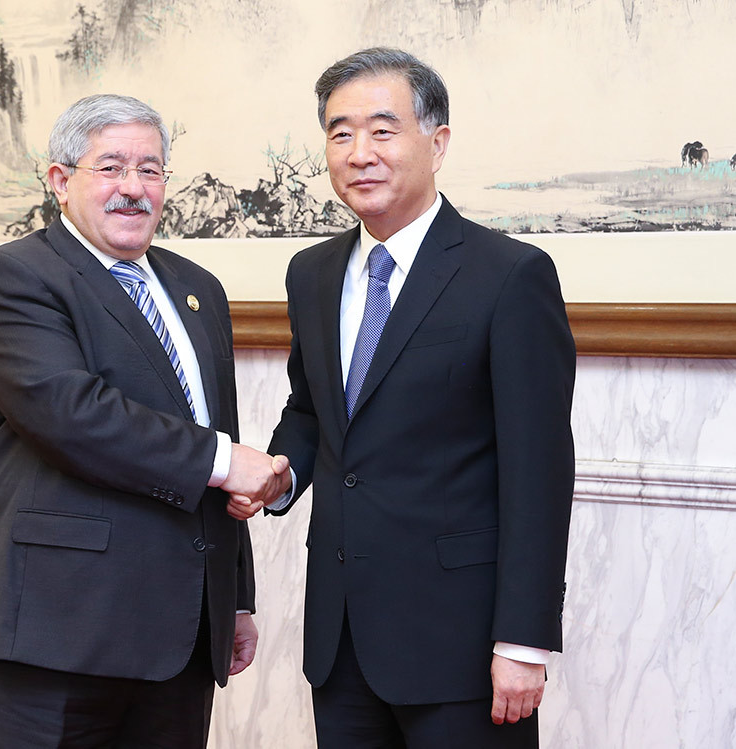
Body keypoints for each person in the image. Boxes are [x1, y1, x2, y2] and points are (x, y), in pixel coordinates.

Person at [230, 48, 576, 747]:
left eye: (383, 130)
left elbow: (539, 470)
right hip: (341, 638)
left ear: (437, 143)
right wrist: (282, 473)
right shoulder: (312, 273)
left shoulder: (509, 275)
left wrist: (524, 640)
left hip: (462, 643)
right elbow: (313, 408)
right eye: (341, 133)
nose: (360, 153)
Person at [0, 93, 289, 748]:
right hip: (51, 633)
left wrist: (234, 597)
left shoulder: (198, 289)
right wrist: (224, 461)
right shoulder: (15, 276)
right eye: (111, 167)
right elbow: (72, 415)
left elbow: (216, 430)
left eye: (150, 169)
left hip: (180, 640)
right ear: (60, 181)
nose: (133, 187)